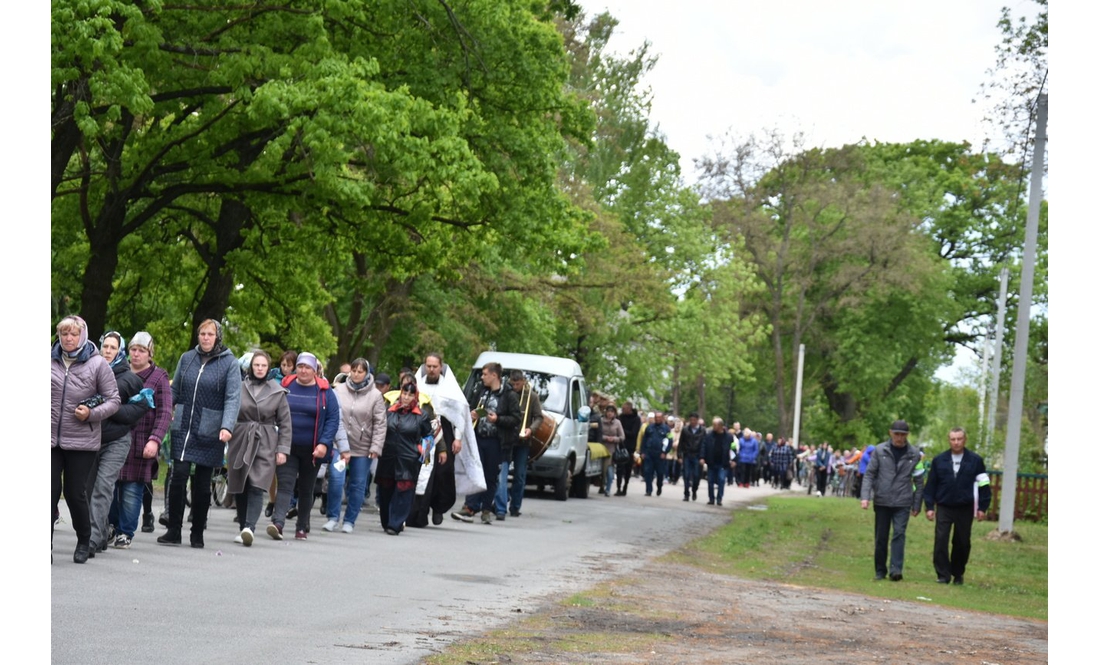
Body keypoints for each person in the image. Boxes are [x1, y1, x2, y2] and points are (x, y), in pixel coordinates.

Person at [158, 319, 240, 548]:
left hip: (211, 428)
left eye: (210, 334)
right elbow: (175, 390)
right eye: (202, 333)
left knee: (202, 485)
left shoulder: (229, 363)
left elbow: (233, 397)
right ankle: (173, 530)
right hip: (184, 425)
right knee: (178, 477)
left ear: (218, 336)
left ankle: (197, 533)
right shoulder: (187, 358)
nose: (205, 337)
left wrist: (227, 426)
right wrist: (165, 409)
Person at [52, 315, 121, 563]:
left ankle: (84, 539)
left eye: (74, 334)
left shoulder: (97, 364)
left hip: (82, 440)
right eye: (64, 334)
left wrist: (92, 414)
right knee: (48, 491)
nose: (69, 338)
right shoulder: (49, 361)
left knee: (74, 493)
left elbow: (114, 400)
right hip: (50, 439)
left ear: (83, 335)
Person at [88, 331, 151, 555]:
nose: (107, 351)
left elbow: (137, 411)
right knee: (87, 489)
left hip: (116, 441)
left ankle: (93, 539)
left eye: (113, 348)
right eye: (105, 346)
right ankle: (102, 532)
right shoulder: (89, 371)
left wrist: (105, 408)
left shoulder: (131, 379)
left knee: (103, 487)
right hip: (90, 438)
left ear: (120, 351)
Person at [268, 351, 341, 541]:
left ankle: (301, 527)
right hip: (287, 445)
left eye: (307, 367)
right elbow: (272, 411)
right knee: (285, 485)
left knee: (306, 488)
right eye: (300, 366)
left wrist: (324, 444)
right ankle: (278, 523)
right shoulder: (285, 386)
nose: (303, 370)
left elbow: (333, 419)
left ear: (315, 370)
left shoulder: (325, 391)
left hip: (313, 450)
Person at [112, 331, 172, 548]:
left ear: (149, 353)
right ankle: (110, 525)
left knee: (131, 488)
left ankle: (125, 532)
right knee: (109, 486)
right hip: (115, 437)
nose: (136, 354)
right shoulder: (119, 371)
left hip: (141, 440)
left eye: (141, 350)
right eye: (133, 350)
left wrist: (155, 440)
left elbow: (165, 412)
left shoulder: (159, 377)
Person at [228, 350, 292, 546]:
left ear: (268, 367)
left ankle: (250, 527)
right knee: (240, 483)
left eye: (263, 365)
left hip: (265, 440)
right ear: (251, 367)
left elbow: (285, 423)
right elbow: (230, 412)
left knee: (257, 484)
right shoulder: (239, 387)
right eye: (257, 365)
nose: (260, 369)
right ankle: (243, 528)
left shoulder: (277, 390)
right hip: (240, 438)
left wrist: (282, 449)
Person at [412, 353, 484, 527]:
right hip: (425, 434)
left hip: (444, 432)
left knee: (443, 473)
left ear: (441, 367)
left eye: (434, 366)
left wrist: (458, 439)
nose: (431, 369)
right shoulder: (418, 384)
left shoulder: (450, 388)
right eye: (428, 366)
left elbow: (459, 415)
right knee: (424, 472)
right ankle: (419, 513)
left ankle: (439, 508)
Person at [453, 362, 520, 525]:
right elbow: (472, 408)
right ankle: (470, 507)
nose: (482, 377)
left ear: (494, 375)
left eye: (484, 374)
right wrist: (474, 414)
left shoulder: (509, 395)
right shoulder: (481, 391)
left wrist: (498, 419)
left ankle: (486, 510)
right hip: (478, 438)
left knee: (490, 476)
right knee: (474, 471)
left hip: (496, 441)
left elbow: (516, 419)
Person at [923, 427, 991, 585]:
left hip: (965, 507)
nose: (956, 442)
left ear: (964, 440)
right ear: (949, 440)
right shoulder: (939, 460)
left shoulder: (975, 460)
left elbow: (984, 485)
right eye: (953, 439)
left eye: (959, 439)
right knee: (941, 539)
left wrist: (982, 507)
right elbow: (931, 486)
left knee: (962, 542)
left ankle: (958, 572)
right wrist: (929, 507)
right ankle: (942, 574)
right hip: (944, 506)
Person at [325, 357, 386, 533]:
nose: (357, 374)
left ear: (367, 374)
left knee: (357, 484)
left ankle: (349, 520)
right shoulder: (338, 390)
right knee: (336, 480)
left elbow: (380, 423)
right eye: (354, 370)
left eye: (361, 371)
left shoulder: (375, 395)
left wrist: (376, 447)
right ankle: (333, 517)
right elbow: (331, 415)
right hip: (339, 445)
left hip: (362, 447)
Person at [860, 420, 925, 581]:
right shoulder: (880, 450)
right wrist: (865, 497)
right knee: (881, 537)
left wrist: (917, 504)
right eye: (896, 434)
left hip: (903, 501)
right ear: (891, 433)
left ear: (907, 435)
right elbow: (869, 474)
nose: (899, 437)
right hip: (882, 500)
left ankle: (896, 570)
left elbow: (919, 481)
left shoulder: (914, 454)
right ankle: (880, 570)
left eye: (902, 435)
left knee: (899, 534)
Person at [376, 382, 434, 535]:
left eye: (410, 394)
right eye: (404, 393)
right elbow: (379, 430)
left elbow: (428, 436)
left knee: (403, 493)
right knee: (385, 491)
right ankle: (386, 521)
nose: (406, 397)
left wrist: (423, 454)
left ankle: (395, 524)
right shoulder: (389, 412)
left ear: (415, 396)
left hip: (409, 459)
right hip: (388, 457)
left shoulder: (422, 416)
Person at [495, 371, 543, 518]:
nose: (515, 386)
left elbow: (538, 417)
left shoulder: (532, 396)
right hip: (507, 438)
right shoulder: (507, 394)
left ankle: (515, 506)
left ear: (523, 381)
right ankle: (501, 499)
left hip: (523, 441)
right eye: (513, 384)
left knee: (520, 475)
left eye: (518, 384)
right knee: (501, 473)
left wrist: (531, 429)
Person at [700, 417, 734, 506]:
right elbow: (704, 446)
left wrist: (734, 460)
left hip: (723, 462)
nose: (713, 426)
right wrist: (702, 457)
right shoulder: (709, 435)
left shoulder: (729, 437)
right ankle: (711, 498)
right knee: (710, 481)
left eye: (715, 425)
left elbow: (733, 449)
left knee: (721, 480)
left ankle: (719, 498)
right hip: (711, 462)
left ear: (720, 426)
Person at [639, 412, 672, 497]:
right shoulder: (649, 427)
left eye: (659, 417)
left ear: (662, 418)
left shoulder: (667, 429)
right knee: (648, 472)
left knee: (660, 473)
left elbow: (670, 441)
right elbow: (644, 440)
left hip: (660, 454)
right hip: (649, 453)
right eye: (656, 417)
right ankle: (648, 490)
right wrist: (642, 452)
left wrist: (665, 452)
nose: (657, 419)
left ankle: (659, 486)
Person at [614, 402, 642, 496]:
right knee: (619, 467)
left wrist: (621, 430)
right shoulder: (620, 417)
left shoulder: (636, 419)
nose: (622, 410)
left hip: (630, 446)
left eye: (624, 409)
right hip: (620, 445)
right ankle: (618, 487)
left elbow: (633, 433)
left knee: (628, 468)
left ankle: (625, 486)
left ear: (629, 409)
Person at [678, 412, 706, 502]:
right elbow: (681, 443)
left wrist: (703, 457)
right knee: (686, 475)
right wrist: (679, 456)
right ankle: (686, 494)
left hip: (697, 456)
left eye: (694, 420)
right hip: (687, 454)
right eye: (691, 420)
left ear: (697, 421)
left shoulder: (702, 431)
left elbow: (704, 444)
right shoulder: (685, 430)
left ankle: (694, 490)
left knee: (697, 475)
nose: (693, 422)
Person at [598, 405, 625, 496]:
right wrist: (605, 438)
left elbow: (622, 437)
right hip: (601, 449)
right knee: (601, 470)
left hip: (612, 450)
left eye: (612, 412)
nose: (610, 413)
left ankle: (608, 488)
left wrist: (614, 439)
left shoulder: (617, 423)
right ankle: (601, 486)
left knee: (609, 471)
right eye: (608, 411)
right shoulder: (601, 421)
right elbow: (597, 434)